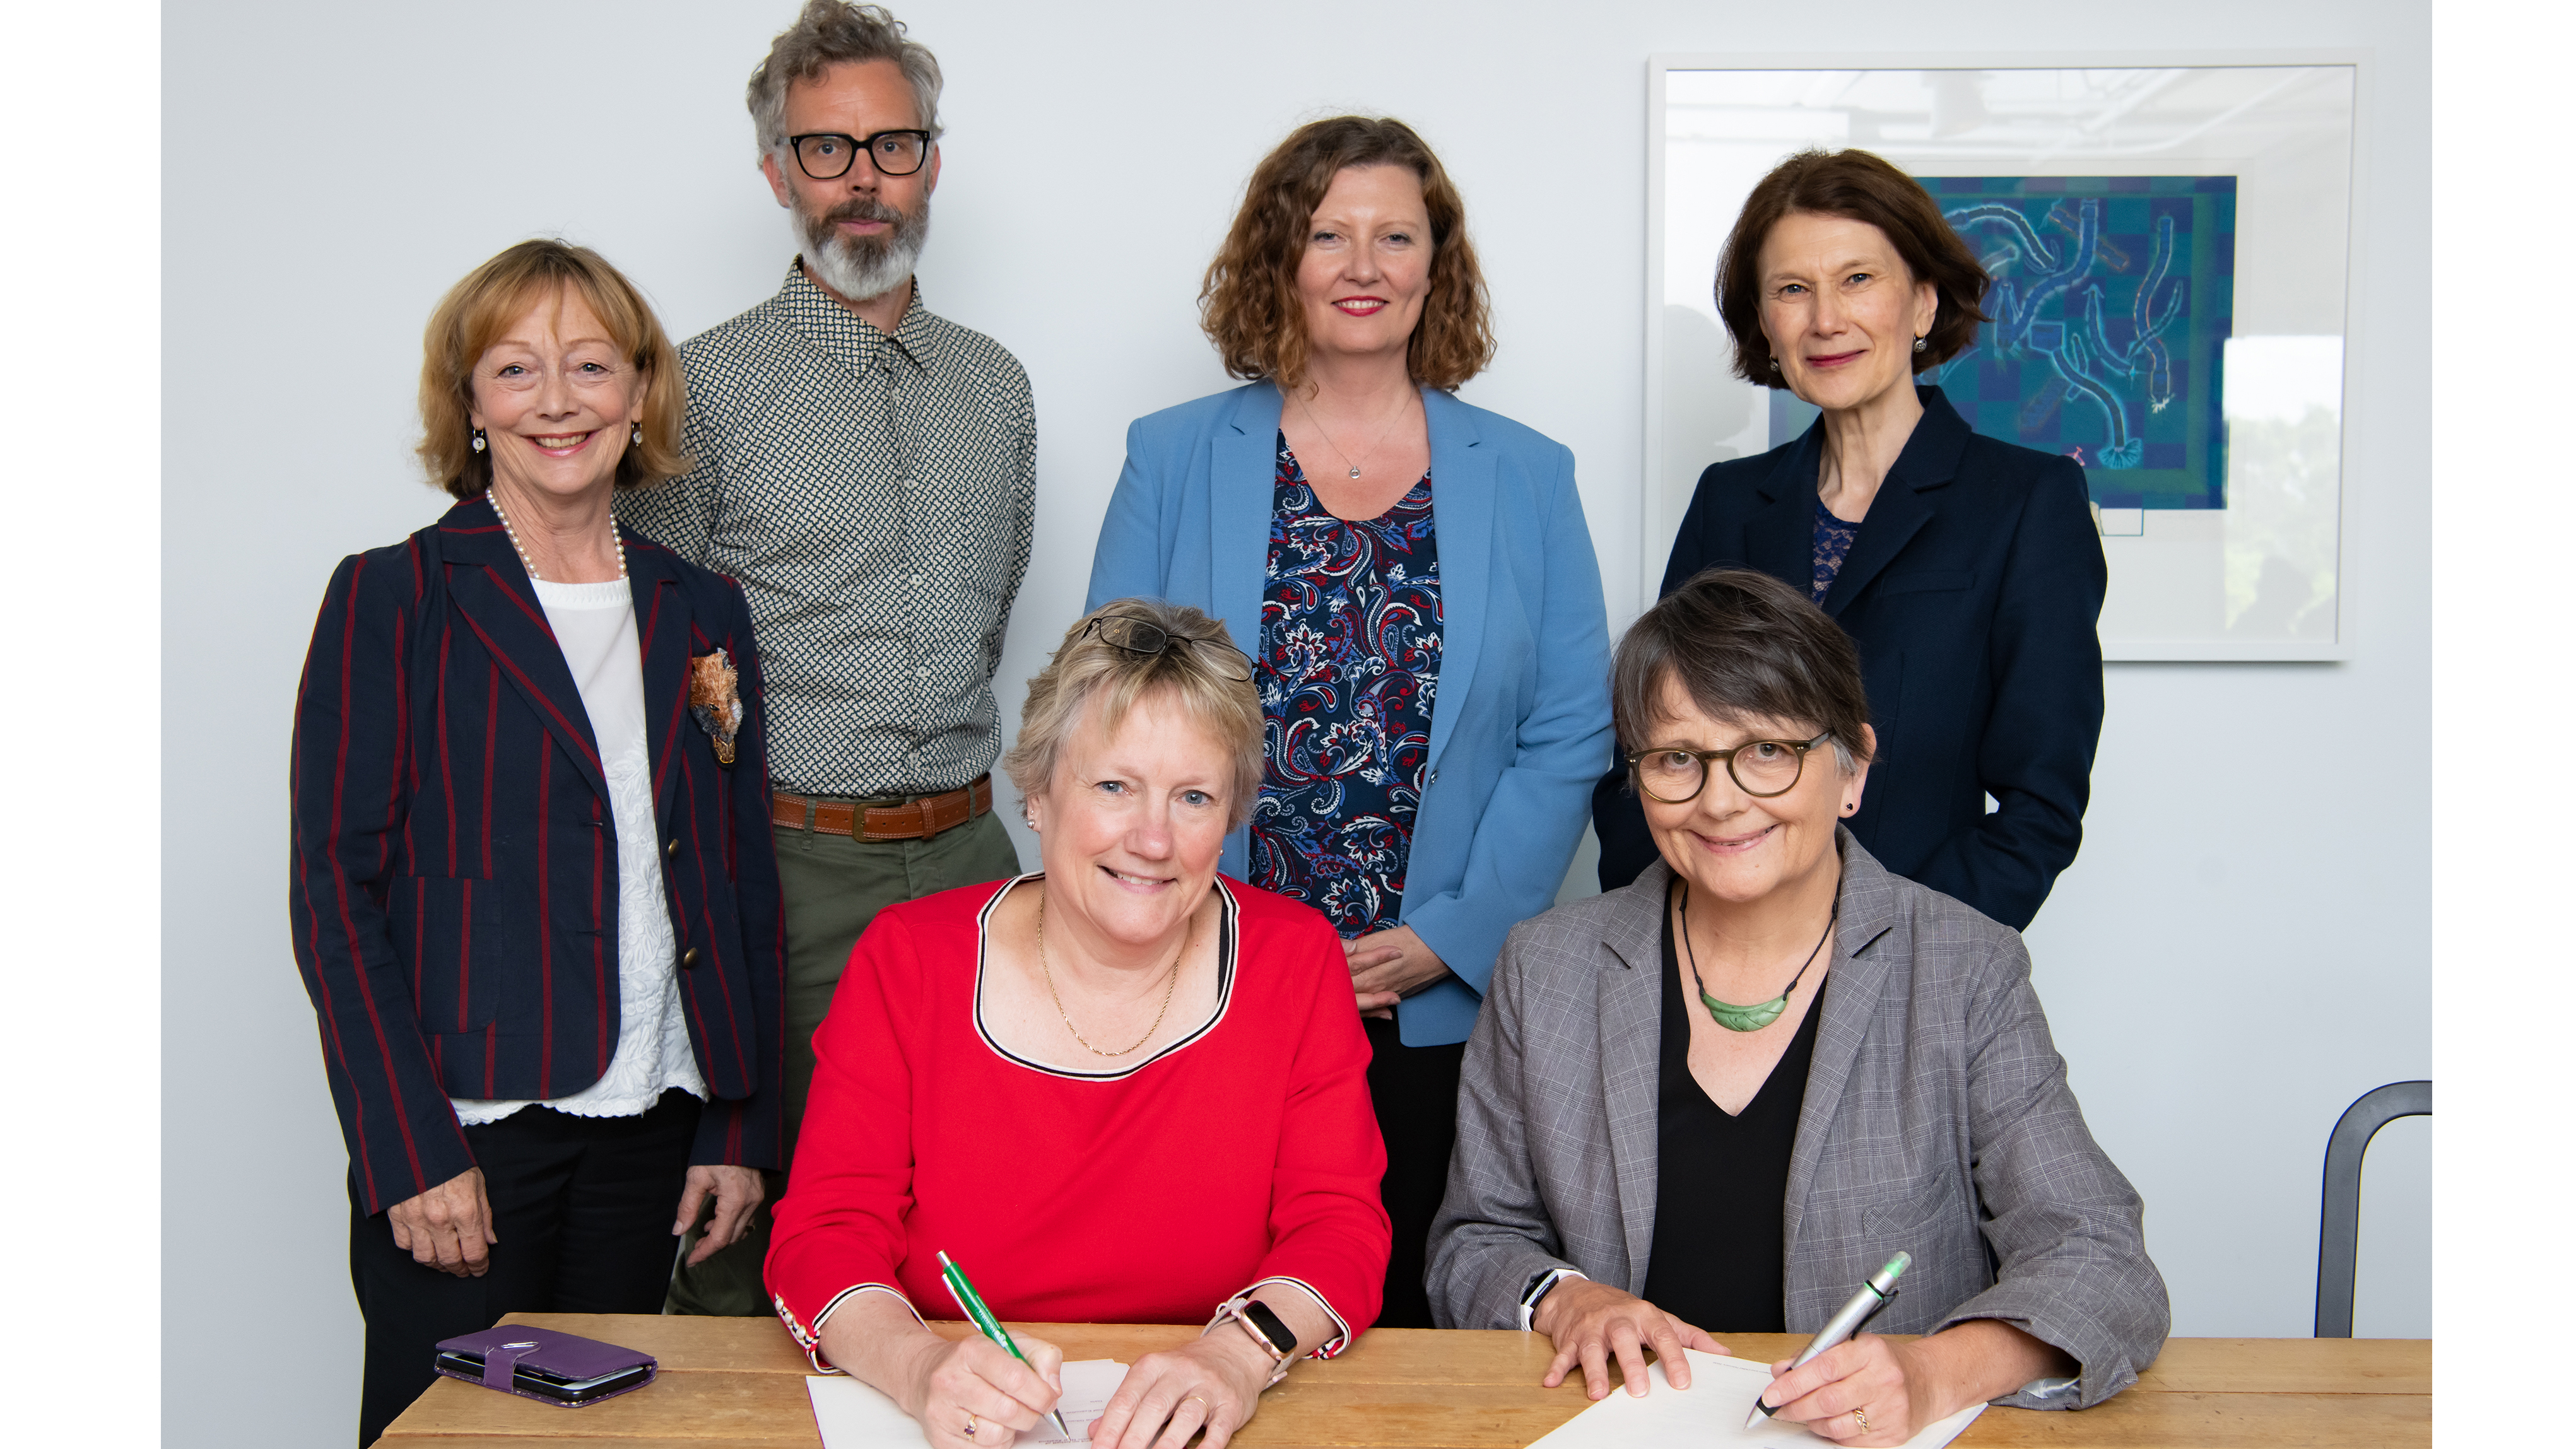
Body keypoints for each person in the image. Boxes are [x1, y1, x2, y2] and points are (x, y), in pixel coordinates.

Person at [1432, 569, 2167, 1446]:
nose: (1720, 798)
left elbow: (2101, 1258)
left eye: (1768, 751)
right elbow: (1472, 1242)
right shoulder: (1543, 967)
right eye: (1677, 759)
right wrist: (1565, 1299)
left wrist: (1931, 1372)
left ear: (1849, 765)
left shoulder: (1963, 968)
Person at [1085, 115, 1611, 1329]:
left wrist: (1454, 934)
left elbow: (1570, 729)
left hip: (1430, 998)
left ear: (1439, 264)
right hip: (1210, 969)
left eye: (1394, 236)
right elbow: (1115, 713)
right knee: (1205, 1306)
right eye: (1328, 234)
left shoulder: (1526, 473)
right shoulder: (1172, 457)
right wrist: (1216, 919)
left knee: (1421, 1303)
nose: (1362, 264)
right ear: (1282, 256)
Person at [288, 240, 786, 1446]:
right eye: (515, 370)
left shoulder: (700, 604)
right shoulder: (392, 596)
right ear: (468, 404)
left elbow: (735, 879)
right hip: (468, 1134)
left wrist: (734, 1126)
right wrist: (408, 1149)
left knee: (602, 1434)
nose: (557, 401)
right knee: (452, 1435)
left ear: (638, 391)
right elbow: (332, 895)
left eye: (589, 366)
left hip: (653, 1122)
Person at [615, 0, 1035, 1315]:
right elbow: (651, 655)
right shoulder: (705, 386)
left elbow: (994, 605)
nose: (863, 178)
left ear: (931, 162)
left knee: (967, 1191)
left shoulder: (996, 384)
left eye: (891, 145)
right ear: (777, 174)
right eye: (826, 149)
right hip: (784, 865)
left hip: (974, 855)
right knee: (759, 1202)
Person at [766, 599, 1391, 1449]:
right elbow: (824, 1233)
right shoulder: (910, 957)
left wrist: (1237, 1359)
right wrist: (918, 1368)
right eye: (1113, 786)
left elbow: (1339, 1227)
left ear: (1230, 817)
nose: (1152, 838)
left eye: (1193, 797)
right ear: (1037, 794)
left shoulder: (1293, 959)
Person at [1594, 148, 2107, 932]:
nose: (1825, 318)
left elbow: (2042, 804)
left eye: (1858, 279)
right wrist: (1674, 929)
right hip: (1710, 951)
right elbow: (1650, 751)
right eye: (1793, 289)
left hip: (1913, 964)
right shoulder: (1729, 502)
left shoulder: (2028, 501)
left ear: (1926, 303)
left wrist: (1905, 950)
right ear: (1766, 324)